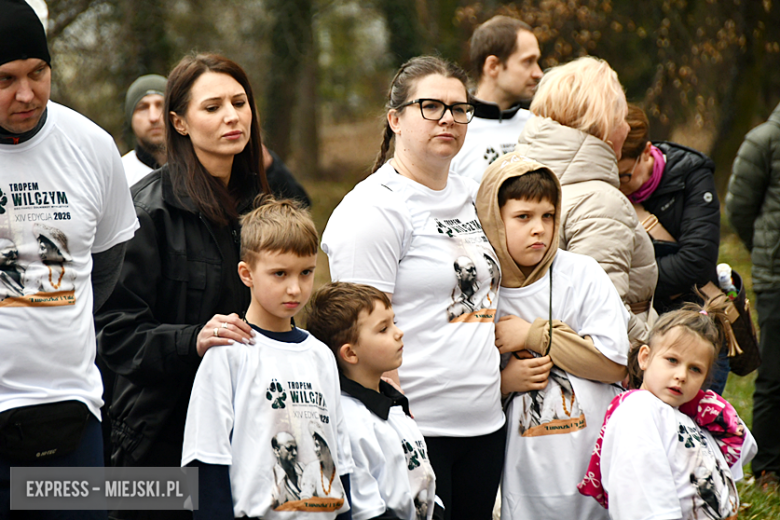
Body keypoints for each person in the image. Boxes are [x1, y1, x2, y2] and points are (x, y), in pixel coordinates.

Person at [322, 56, 505, 520]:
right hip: (418, 430)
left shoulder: (475, 195)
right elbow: (362, 338)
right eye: (431, 106)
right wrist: (398, 431)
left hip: (486, 425)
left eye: (459, 108)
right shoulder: (374, 210)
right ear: (395, 119)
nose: (448, 118)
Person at [96, 53, 270, 520]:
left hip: (252, 433)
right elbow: (114, 334)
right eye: (212, 107)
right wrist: (191, 338)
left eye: (239, 102)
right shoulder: (145, 212)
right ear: (180, 122)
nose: (232, 116)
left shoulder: (265, 207)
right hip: (160, 439)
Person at [0, 1, 138, 518]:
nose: (27, 94)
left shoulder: (91, 146)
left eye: (38, 73)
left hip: (73, 415)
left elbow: (104, 270)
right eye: (6, 79)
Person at [475, 152, 629, 520]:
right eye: (523, 217)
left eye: (548, 216)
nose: (539, 229)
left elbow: (612, 364)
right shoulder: (481, 290)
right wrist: (503, 383)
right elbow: (460, 379)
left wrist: (533, 334)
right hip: (527, 473)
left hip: (592, 461)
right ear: (494, 220)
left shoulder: (582, 273)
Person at [181, 198, 352, 519]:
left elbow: (339, 457)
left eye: (306, 273)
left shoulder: (321, 356)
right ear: (247, 274)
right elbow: (205, 458)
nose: (295, 288)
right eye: (279, 273)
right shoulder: (228, 353)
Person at [515, 56, 657, 345]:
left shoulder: (513, 177)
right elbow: (603, 316)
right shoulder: (600, 204)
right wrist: (652, 356)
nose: (627, 129)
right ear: (601, 122)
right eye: (620, 117)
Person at [578, 300, 757, 519]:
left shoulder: (692, 416)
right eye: (672, 360)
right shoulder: (638, 409)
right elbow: (642, 501)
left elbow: (745, 447)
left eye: (695, 369)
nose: (682, 375)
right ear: (645, 357)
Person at [307, 282, 443, 520]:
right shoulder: (349, 420)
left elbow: (421, 475)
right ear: (350, 353)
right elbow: (365, 510)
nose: (398, 333)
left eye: (394, 323)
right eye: (383, 329)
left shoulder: (393, 401)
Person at [617, 104, 728, 393]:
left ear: (646, 152)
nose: (619, 185)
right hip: (640, 334)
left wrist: (631, 282)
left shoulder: (690, 174)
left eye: (625, 175)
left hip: (691, 328)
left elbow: (696, 262)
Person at [725, 100, 780, 486]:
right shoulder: (764, 140)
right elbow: (740, 209)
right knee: (775, 373)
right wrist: (764, 250)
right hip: (777, 277)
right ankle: (768, 467)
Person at [449, 15, 542, 182]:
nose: (538, 73)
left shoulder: (539, 128)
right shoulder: (451, 130)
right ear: (493, 66)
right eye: (528, 61)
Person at [122, 74, 167, 186]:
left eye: (161, 105)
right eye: (143, 107)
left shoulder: (200, 169)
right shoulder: (120, 175)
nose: (154, 117)